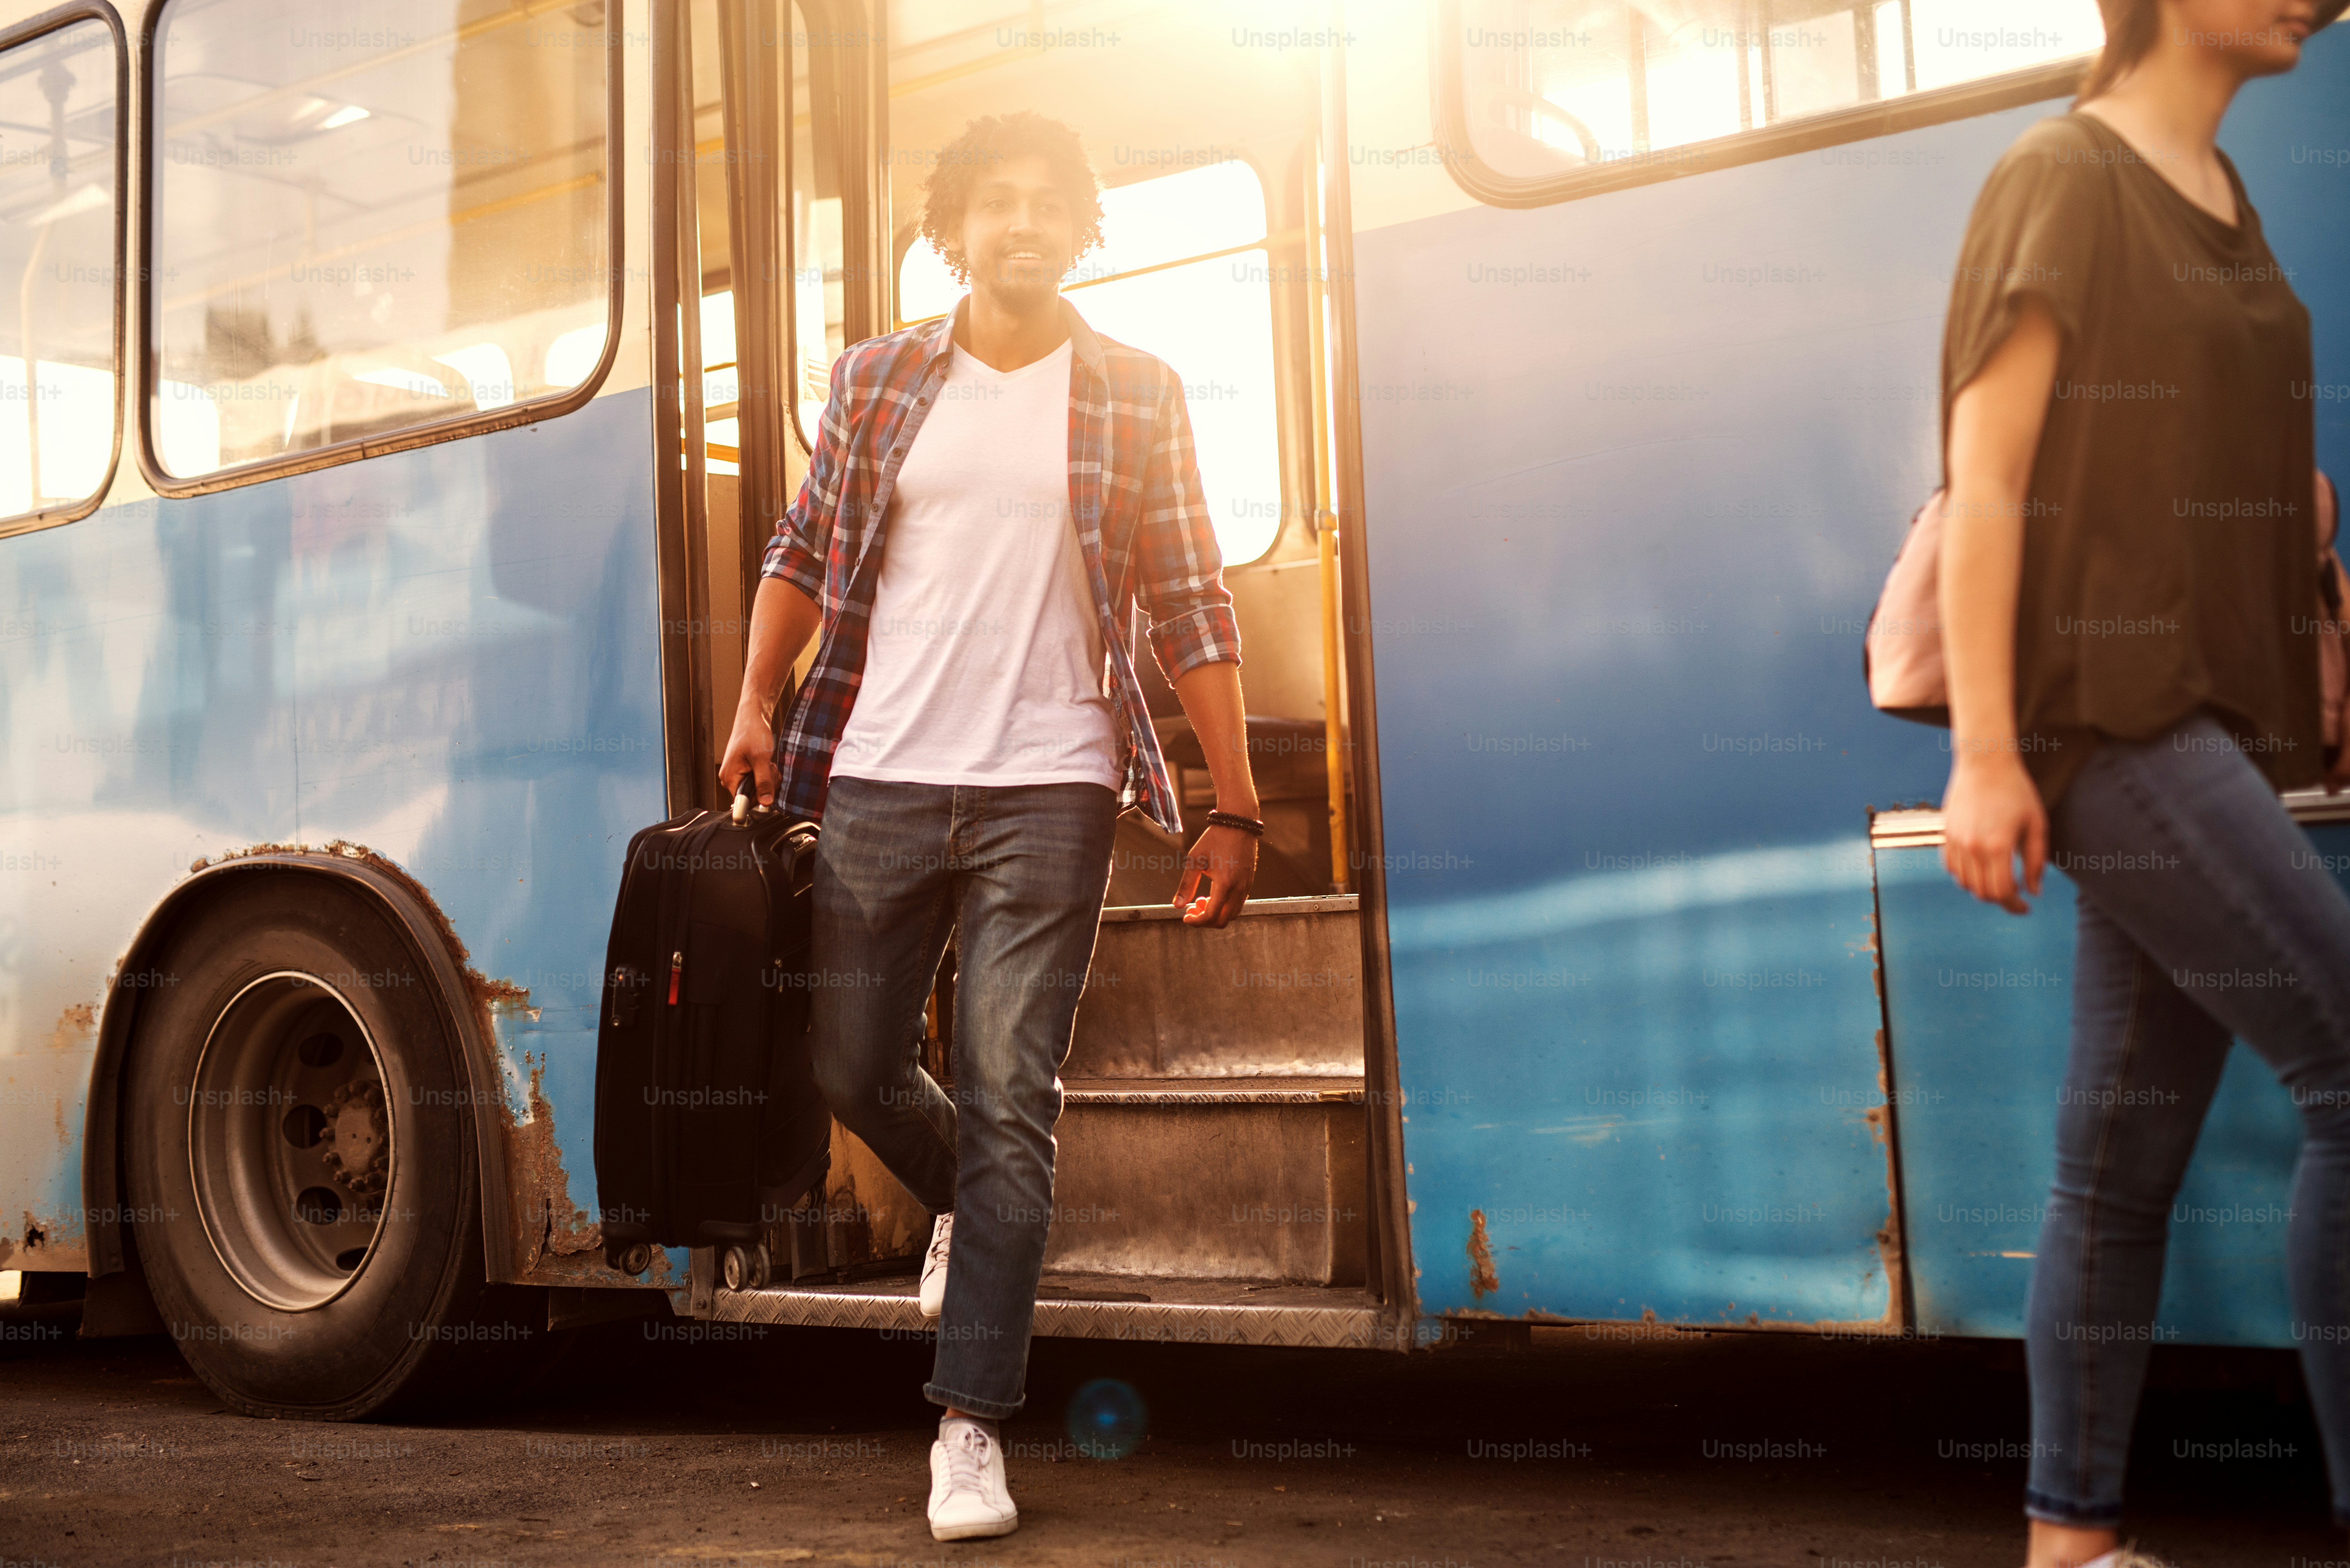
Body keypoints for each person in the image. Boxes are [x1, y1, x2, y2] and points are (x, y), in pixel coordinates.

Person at [717, 110, 1262, 1542]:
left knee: (1012, 1086)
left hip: (1053, 782)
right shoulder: (879, 376)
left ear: (1084, 229)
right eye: (993, 204)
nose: (1020, 224)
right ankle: (975, 1200)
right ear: (950, 228)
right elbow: (803, 552)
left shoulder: (1134, 391)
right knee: (849, 1059)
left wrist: (1233, 801)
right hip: (880, 776)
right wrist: (755, 700)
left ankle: (971, 1424)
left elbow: (1196, 597)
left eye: (1048, 204)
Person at [1936, 1, 2350, 1563]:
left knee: (2115, 1167)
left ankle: (2072, 1546)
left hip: (2215, 716)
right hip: (2112, 719)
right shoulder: (2063, 175)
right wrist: (1986, 751)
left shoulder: (2226, 204)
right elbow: (1989, 476)